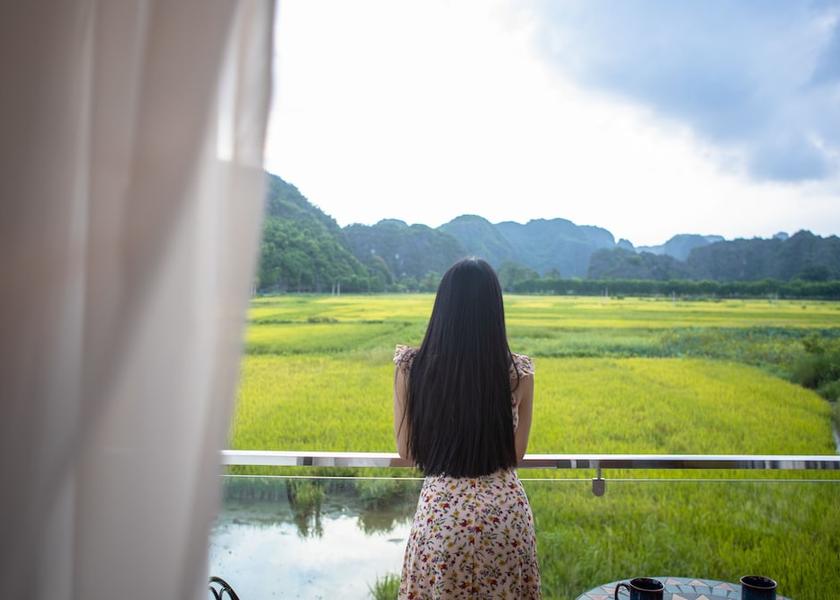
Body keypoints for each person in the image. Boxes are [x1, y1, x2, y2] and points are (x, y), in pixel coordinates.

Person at [393, 258, 540, 599]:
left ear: (442, 307)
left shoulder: (410, 366)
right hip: (505, 518)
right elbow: (515, 454)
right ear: (494, 311)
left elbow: (407, 450)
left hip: (442, 519)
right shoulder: (520, 372)